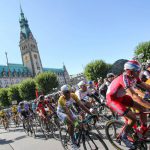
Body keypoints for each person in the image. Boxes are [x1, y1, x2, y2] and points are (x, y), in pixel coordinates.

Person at [106, 60, 150, 149]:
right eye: (137, 70)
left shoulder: (134, 76)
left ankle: (142, 129)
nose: (139, 72)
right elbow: (134, 95)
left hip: (122, 97)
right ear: (129, 71)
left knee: (142, 108)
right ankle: (123, 136)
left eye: (140, 69)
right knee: (133, 118)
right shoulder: (124, 79)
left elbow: (146, 87)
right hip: (112, 100)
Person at [57, 84, 95, 150]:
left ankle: (76, 135)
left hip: (69, 110)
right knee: (72, 123)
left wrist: (91, 114)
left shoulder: (73, 95)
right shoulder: (61, 99)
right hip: (62, 112)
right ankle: (73, 143)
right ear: (62, 93)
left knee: (79, 122)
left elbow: (82, 106)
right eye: (66, 92)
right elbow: (68, 113)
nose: (68, 94)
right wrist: (75, 123)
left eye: (69, 91)